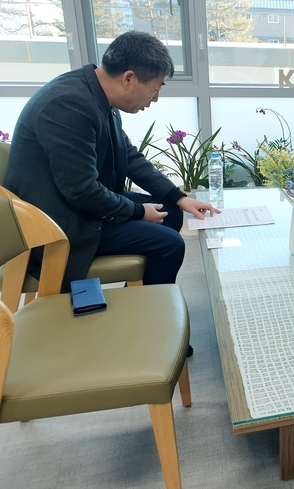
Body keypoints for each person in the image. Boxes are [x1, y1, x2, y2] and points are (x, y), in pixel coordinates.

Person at [5, 31, 218, 309]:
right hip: (58, 224)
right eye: (155, 89)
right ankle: (153, 319)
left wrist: (179, 196)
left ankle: (141, 296)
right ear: (129, 78)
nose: (154, 100)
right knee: (169, 244)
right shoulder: (69, 105)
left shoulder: (97, 96)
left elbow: (128, 157)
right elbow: (81, 190)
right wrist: (139, 212)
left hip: (75, 206)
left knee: (172, 209)